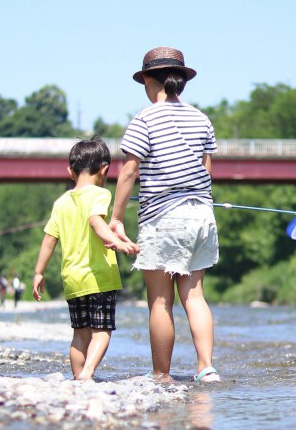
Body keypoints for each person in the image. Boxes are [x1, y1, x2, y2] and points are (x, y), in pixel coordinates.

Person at [109, 47, 220, 383]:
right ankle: (206, 368)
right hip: (202, 215)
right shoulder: (201, 118)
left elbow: (130, 170)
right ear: (181, 81)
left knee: (160, 300)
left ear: (146, 79)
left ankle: (161, 374)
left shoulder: (145, 118)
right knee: (195, 295)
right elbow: (206, 168)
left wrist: (116, 217)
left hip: (163, 218)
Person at [32, 135, 139, 380]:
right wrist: (116, 242)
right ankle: (87, 374)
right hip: (99, 278)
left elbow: (49, 238)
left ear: (71, 171)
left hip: (72, 279)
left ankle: (78, 376)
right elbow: (95, 221)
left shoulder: (60, 202)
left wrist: (39, 272)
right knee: (101, 331)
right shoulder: (100, 195)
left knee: (80, 333)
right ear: (104, 169)